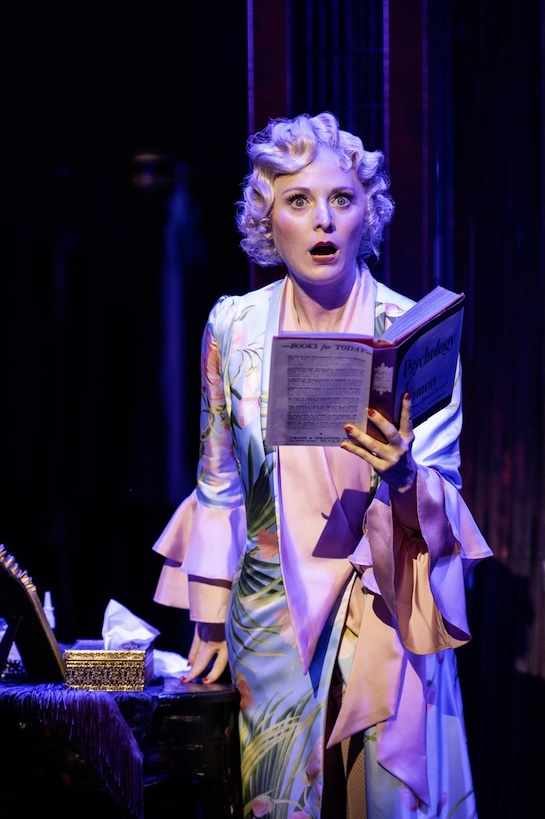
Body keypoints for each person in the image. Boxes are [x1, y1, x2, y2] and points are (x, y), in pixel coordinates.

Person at [152, 112, 492, 819]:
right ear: (266, 220)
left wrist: (403, 475)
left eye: (341, 199)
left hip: (384, 605)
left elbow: (445, 496)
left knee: (383, 798)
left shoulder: (414, 331)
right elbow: (218, 478)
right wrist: (208, 617)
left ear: (369, 213)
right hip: (270, 617)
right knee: (278, 798)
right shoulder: (233, 327)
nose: (323, 221)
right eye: (298, 201)